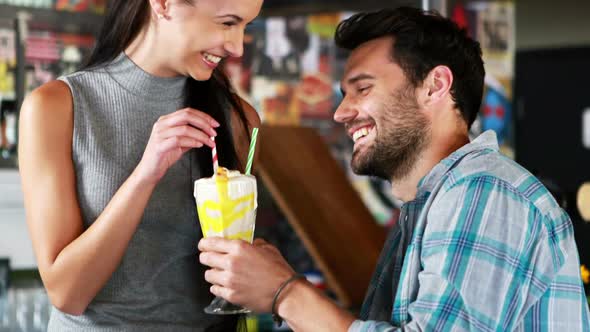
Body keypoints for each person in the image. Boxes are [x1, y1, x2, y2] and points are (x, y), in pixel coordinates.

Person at [198, 7, 590, 331]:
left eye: (362, 88)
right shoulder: (433, 203)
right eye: (343, 94)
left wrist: (285, 292)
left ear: (435, 85)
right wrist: (278, 289)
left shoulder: (484, 192)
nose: (340, 112)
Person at [18, 0, 262, 330]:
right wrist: (146, 174)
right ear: (163, 4)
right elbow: (67, 293)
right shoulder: (56, 108)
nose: (235, 47)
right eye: (227, 23)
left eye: (246, 26)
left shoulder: (238, 120)